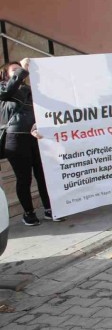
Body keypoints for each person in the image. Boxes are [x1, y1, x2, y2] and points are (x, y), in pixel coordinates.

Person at [1, 59, 61, 225]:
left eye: (20, 69)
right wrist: (21, 71)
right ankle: (29, 213)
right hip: (16, 138)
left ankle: (50, 208)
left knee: (42, 175)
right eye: (14, 69)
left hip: (35, 137)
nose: (19, 70)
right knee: (24, 178)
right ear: (6, 75)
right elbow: (7, 92)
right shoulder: (4, 89)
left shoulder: (30, 90)